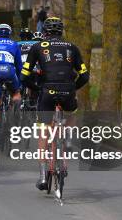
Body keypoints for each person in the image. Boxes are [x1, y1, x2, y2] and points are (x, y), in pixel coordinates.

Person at [20, 17, 89, 191]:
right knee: (71, 114)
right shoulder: (72, 47)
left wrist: (36, 88)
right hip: (68, 91)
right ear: (61, 32)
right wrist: (73, 87)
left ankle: (43, 177)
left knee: (44, 133)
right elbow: (85, 76)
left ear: (45, 32)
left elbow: (24, 76)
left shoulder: (37, 47)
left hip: (47, 91)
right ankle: (68, 142)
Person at [0, 23, 23, 146]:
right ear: (9, 33)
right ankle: (16, 110)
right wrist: (20, 82)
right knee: (16, 94)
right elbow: (19, 65)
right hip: (10, 72)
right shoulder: (14, 44)